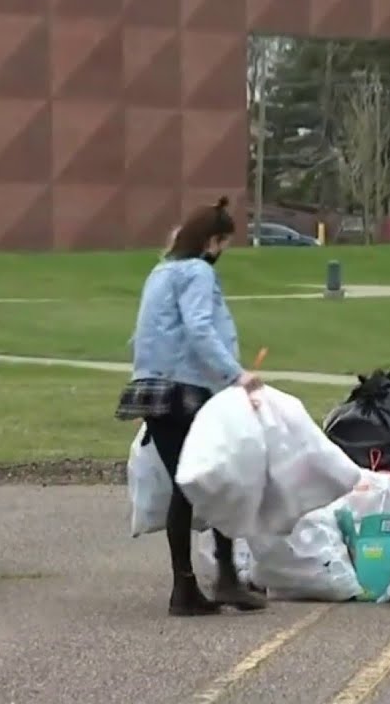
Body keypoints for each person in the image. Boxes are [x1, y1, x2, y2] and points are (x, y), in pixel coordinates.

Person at [115, 197, 269, 617]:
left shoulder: (161, 271)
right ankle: (214, 582)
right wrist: (236, 374)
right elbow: (200, 328)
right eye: (224, 244)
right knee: (207, 480)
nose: (222, 253)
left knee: (190, 482)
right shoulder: (198, 272)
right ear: (212, 241)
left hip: (151, 389)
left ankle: (198, 583)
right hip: (185, 391)